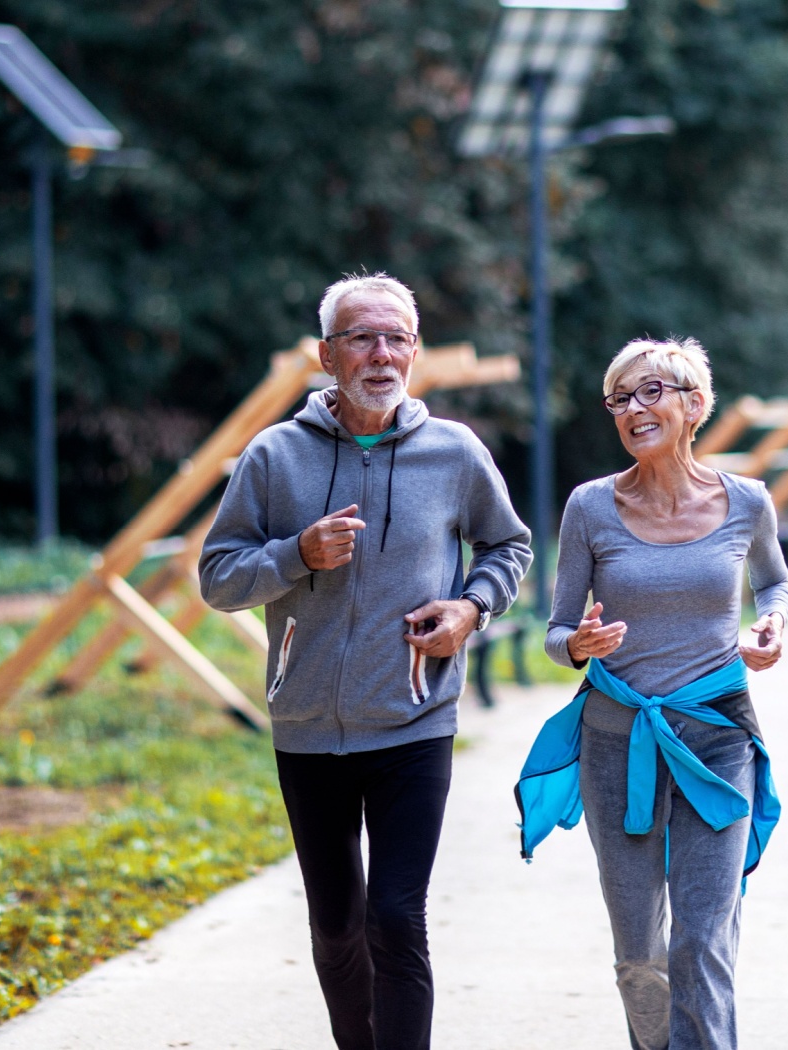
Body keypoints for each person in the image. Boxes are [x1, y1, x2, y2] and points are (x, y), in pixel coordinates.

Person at [199, 272, 532, 1050]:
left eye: (397, 339)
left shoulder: (453, 452)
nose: (382, 354)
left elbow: (508, 544)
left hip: (414, 722)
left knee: (395, 916)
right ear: (327, 355)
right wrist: (294, 555)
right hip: (308, 724)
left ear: (414, 353)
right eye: (363, 338)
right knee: (338, 924)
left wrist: (470, 607)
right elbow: (218, 576)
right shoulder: (275, 456)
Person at [516, 337, 788, 1050]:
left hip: (717, 738)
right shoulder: (589, 508)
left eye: (651, 392)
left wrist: (772, 622)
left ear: (693, 405)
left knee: (702, 942)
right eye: (619, 398)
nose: (633, 409)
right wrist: (576, 646)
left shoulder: (747, 502)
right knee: (641, 956)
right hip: (618, 743)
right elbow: (552, 632)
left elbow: (774, 581)